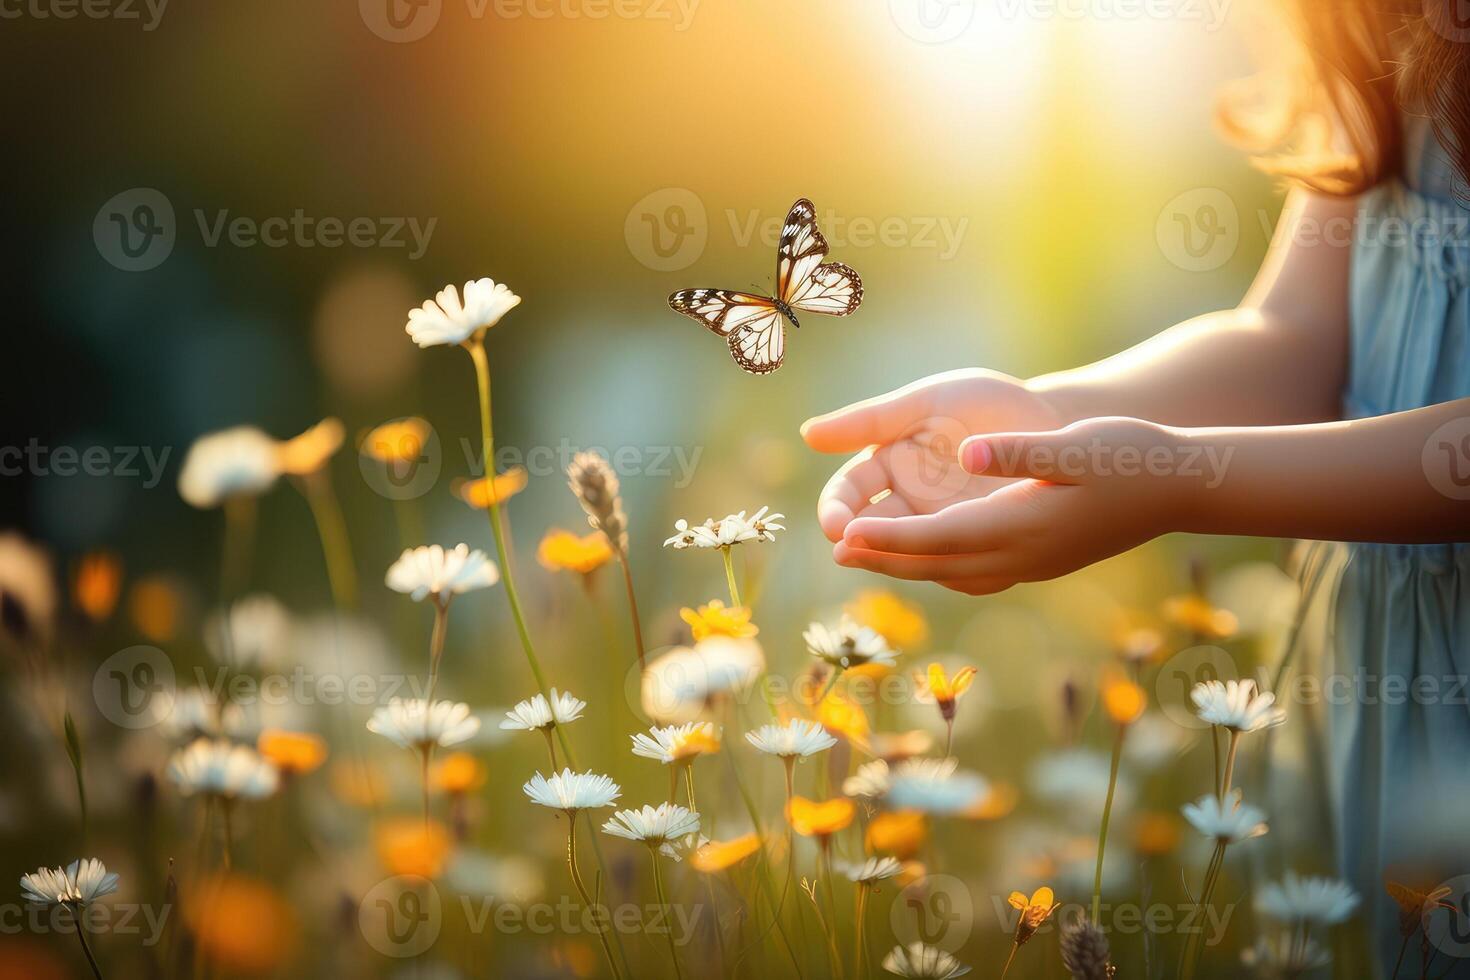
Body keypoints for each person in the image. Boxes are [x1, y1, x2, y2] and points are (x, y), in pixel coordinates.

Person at [804, 1, 1470, 971]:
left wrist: (1176, 478)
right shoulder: (1371, 25)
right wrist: (1043, 414)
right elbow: (1294, 337)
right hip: (1375, 688)